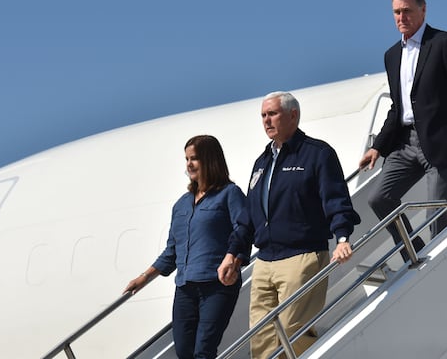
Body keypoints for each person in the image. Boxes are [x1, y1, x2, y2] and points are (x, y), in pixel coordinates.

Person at [218, 91, 361, 359]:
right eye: (263, 115)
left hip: (302, 256)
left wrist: (342, 238)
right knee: (260, 337)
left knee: (294, 332)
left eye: (272, 114)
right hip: (264, 262)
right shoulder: (262, 163)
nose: (266, 120)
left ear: (293, 115)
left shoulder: (317, 154)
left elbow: (336, 200)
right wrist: (233, 254)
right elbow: (249, 215)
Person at [359, 0, 447, 262]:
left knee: (436, 211)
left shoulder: (444, 43)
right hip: (404, 143)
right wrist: (378, 146)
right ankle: (414, 248)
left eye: (407, 11)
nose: (401, 17)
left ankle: (441, 263)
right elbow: (397, 107)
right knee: (379, 198)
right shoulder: (392, 55)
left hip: (441, 142)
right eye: (396, 12)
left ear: (423, 10)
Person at [124, 135, 247, 359]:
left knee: (204, 351)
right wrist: (144, 278)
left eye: (195, 158)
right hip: (185, 289)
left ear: (211, 160)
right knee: (184, 351)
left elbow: (245, 229)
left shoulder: (229, 194)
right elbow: (172, 251)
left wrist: (234, 260)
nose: (189, 164)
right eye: (187, 159)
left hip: (217, 286)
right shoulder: (181, 204)